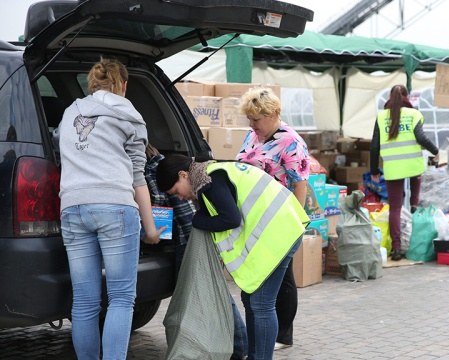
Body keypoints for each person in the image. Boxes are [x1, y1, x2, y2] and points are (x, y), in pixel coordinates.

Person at [57, 58, 164, 360]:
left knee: (85, 301)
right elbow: (137, 177)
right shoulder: (129, 115)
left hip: (73, 208)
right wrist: (151, 227)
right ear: (123, 85)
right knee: (120, 298)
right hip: (115, 208)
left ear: (91, 84)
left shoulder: (69, 114)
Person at [155, 155, 309, 360]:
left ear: (183, 175)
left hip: (280, 232)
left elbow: (230, 219)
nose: (180, 198)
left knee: (262, 304)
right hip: (282, 227)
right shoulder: (212, 172)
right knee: (252, 299)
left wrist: (197, 219)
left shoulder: (209, 181)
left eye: (176, 192)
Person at [145, 144, 248, 360]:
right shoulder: (174, 167)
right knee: (211, 292)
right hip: (200, 234)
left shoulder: (155, 173)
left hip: (189, 239)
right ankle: (237, 346)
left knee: (204, 294)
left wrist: (152, 235)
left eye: (176, 192)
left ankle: (235, 347)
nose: (181, 197)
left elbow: (160, 208)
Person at [236, 87, 309, 351]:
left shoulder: (291, 142)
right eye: (249, 119)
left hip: (278, 221)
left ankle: (282, 335)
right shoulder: (253, 135)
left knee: (278, 283)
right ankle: (270, 337)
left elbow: (299, 183)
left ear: (273, 114)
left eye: (256, 119)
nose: (252, 125)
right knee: (275, 280)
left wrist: (295, 223)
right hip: (254, 218)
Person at [370, 84, 439, 261]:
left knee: (395, 208)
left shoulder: (381, 116)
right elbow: (421, 138)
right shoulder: (414, 114)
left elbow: (375, 146)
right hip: (413, 166)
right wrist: (435, 151)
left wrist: (374, 170)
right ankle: (416, 241)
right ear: (406, 97)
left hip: (393, 167)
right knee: (413, 200)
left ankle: (397, 248)